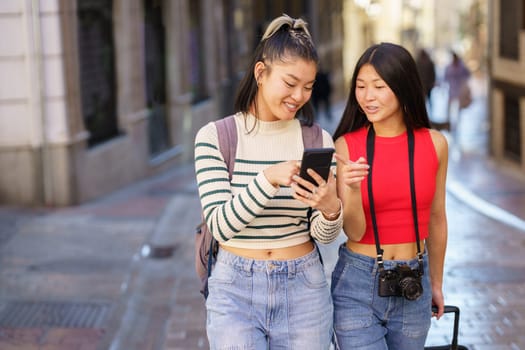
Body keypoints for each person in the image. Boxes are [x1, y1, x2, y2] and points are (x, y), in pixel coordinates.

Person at [194, 14, 343, 349]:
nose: (299, 96)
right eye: (290, 84)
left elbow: (322, 234)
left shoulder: (318, 140)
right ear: (261, 73)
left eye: (308, 86)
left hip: (304, 286)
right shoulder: (216, 137)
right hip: (234, 289)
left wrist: (331, 209)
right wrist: (268, 178)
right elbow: (219, 225)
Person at [331, 42, 448, 349]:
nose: (367, 96)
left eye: (378, 86)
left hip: (414, 281)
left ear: (402, 86)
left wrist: (435, 282)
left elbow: (436, 218)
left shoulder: (435, 144)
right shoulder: (346, 146)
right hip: (358, 283)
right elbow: (353, 231)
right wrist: (353, 190)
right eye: (360, 86)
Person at [444, 51, 471, 123]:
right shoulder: (450, 67)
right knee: (449, 105)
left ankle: (457, 121)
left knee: (458, 107)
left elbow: (467, 74)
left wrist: (463, 82)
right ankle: (448, 120)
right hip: (452, 89)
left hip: (459, 90)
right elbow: (446, 77)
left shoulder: (461, 67)